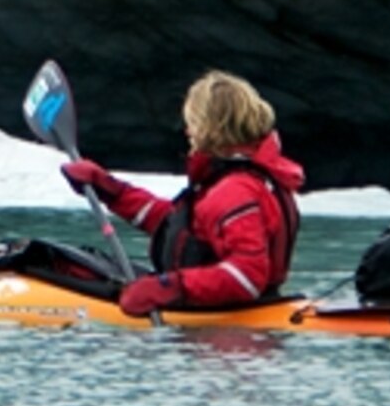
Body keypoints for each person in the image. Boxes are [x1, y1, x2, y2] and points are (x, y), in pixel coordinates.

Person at [59, 69, 304, 314]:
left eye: (192, 123)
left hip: (228, 333)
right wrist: (111, 191)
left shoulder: (235, 191)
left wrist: (169, 287)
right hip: (242, 313)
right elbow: (180, 227)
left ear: (210, 127)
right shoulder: (245, 179)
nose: (187, 132)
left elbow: (247, 277)